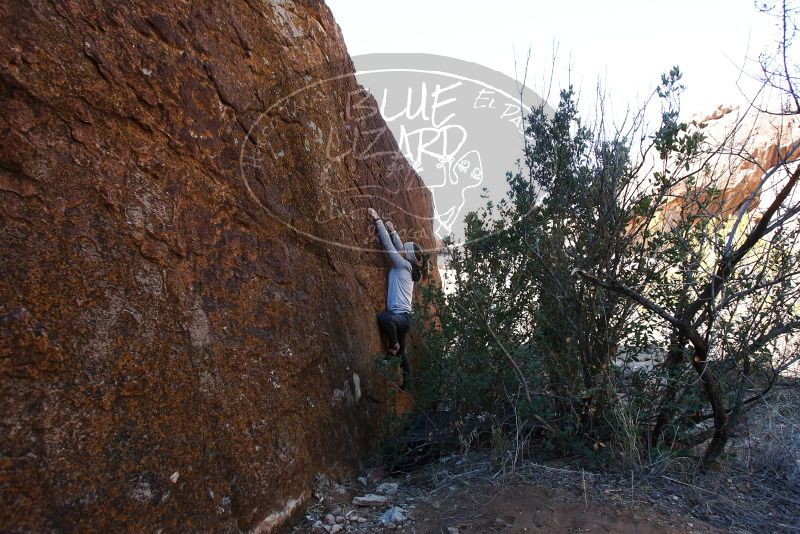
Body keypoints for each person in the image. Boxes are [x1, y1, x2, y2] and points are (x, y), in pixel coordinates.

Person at [368, 207, 424, 387]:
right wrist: (393, 230)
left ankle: (392, 347)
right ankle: (407, 384)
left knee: (384, 319)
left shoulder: (402, 264)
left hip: (400, 318)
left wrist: (378, 221)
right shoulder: (408, 264)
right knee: (404, 354)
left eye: (404, 251)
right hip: (404, 317)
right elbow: (400, 247)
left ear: (406, 256)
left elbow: (390, 247)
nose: (401, 250)